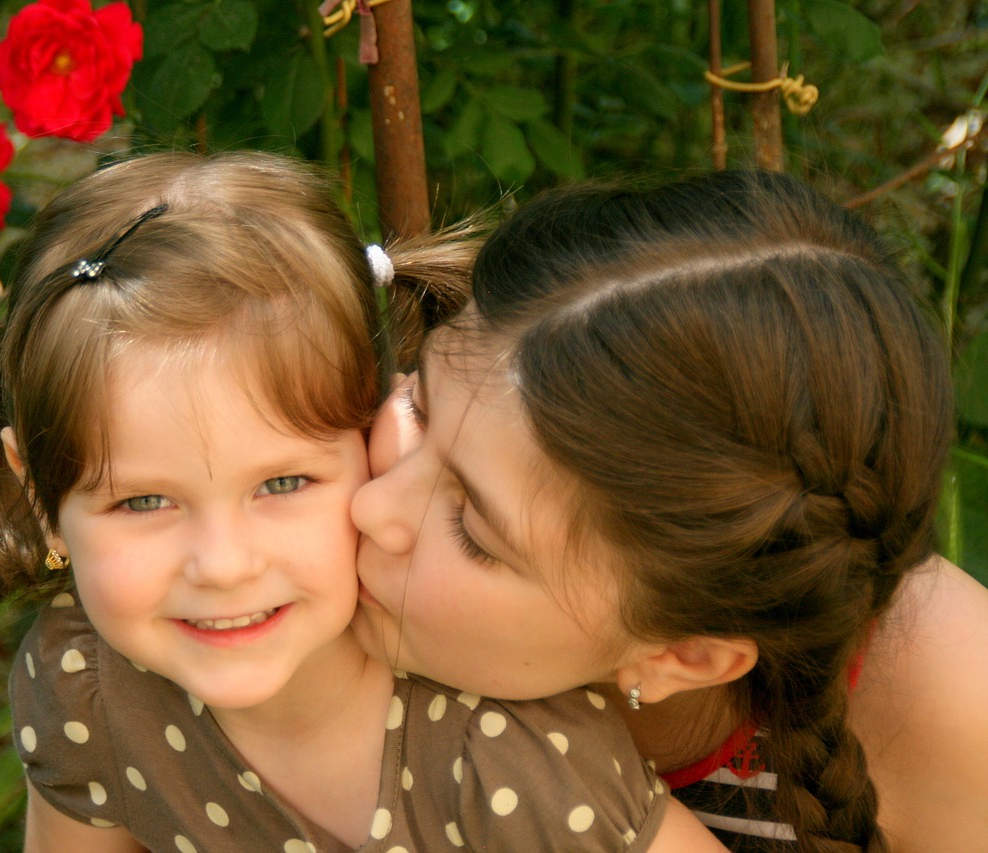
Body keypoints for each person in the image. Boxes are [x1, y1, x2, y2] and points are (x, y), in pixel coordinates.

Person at [0, 151, 723, 852]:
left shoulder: (506, 755)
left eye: (283, 483)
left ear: (372, 436)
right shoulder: (86, 683)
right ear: (40, 495)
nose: (226, 564)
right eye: (144, 501)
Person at [351, 170, 988, 852]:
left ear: (685, 654)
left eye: (472, 530)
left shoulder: (955, 706)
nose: (367, 505)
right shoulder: (293, 546)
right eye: (419, 405)